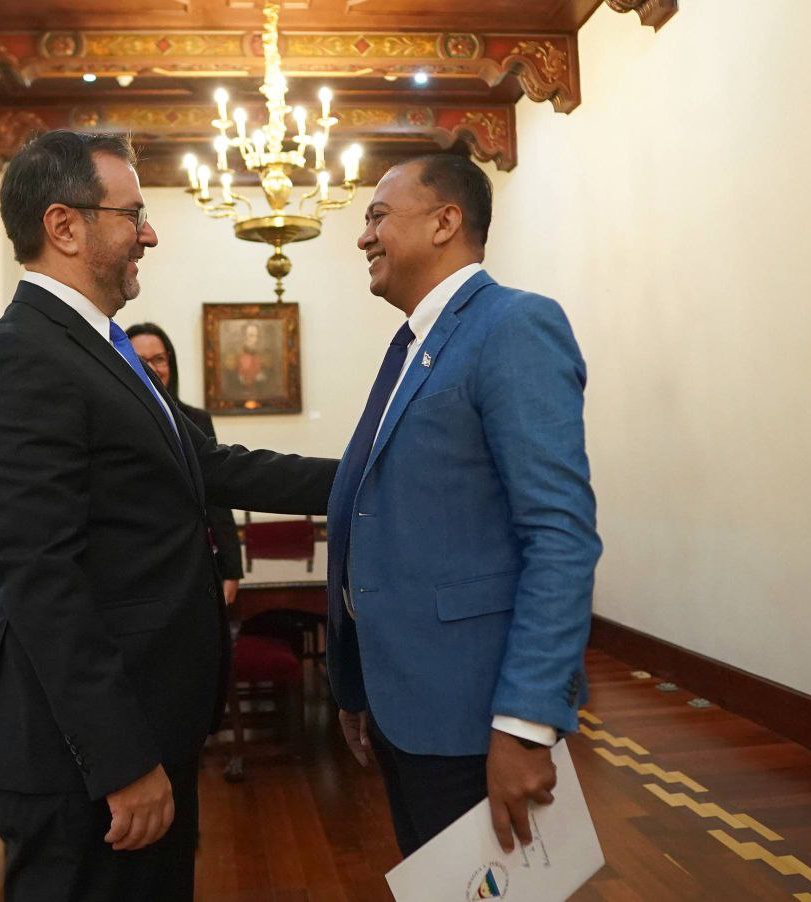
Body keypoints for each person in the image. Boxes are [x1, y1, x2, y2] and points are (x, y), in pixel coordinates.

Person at [0, 130, 337, 901]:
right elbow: (41, 579)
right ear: (64, 226)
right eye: (133, 215)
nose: (149, 234)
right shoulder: (21, 357)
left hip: (149, 716)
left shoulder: (97, 346)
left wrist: (369, 476)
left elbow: (210, 466)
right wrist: (121, 760)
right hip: (85, 758)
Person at [326, 154, 602, 859]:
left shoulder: (514, 326)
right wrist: (357, 687)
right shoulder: (413, 346)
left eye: (378, 216)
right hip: (403, 705)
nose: (364, 236)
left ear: (445, 222)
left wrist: (525, 725)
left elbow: (560, 535)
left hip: (474, 718)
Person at [126, 321, 243, 604]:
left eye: (159, 359)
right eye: (140, 361)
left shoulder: (196, 420)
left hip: (192, 562)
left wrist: (231, 568)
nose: (152, 368)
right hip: (134, 566)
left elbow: (217, 492)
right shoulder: (111, 420)